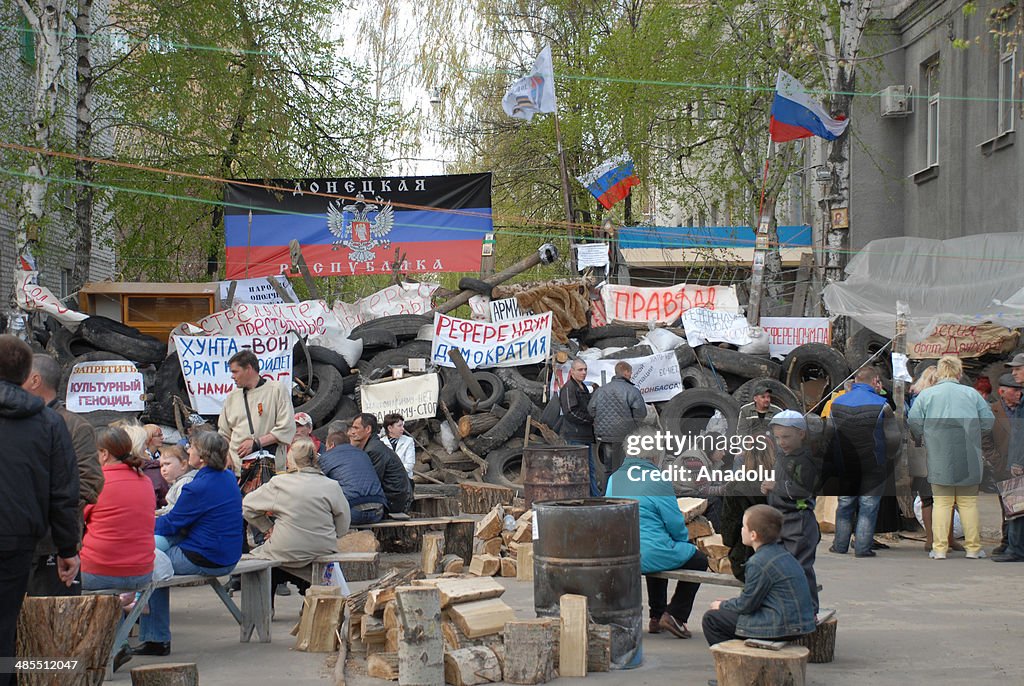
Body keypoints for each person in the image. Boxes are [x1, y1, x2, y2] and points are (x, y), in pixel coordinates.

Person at [0, 335, 80, 686]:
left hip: (17, 538)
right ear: (25, 375)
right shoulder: (49, 423)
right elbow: (63, 493)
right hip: (16, 540)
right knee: (6, 626)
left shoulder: (51, 424)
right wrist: (67, 548)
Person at [136, 432, 242, 656]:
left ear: (202, 457)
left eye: (191, 448)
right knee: (158, 549)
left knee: (150, 563)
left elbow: (171, 524)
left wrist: (139, 526)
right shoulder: (228, 477)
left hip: (207, 557)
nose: (188, 451)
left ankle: (156, 638)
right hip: (228, 553)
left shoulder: (197, 487)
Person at [606, 427, 707, 640]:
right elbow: (674, 523)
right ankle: (676, 615)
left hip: (621, 551)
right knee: (696, 559)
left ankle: (656, 616)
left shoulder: (614, 478)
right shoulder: (657, 480)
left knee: (658, 550)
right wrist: (682, 541)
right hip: (650, 553)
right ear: (654, 455)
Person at [22, 353, 103, 596]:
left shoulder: (75, 427)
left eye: (20, 377)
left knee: (52, 626)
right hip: (15, 542)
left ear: (35, 380)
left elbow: (89, 481)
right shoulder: (14, 422)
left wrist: (51, 510)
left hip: (53, 545)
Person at [908, 355, 994, 560]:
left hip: (938, 456)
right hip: (969, 456)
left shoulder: (927, 395)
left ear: (939, 371)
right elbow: (989, 422)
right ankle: (973, 548)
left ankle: (939, 548)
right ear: (959, 372)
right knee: (968, 503)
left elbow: (914, 422)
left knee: (941, 502)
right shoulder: (972, 394)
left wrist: (925, 434)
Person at [243, 437, 350, 601]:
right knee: (310, 560)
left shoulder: (280, 483)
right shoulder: (331, 485)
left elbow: (247, 506)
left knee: (259, 558)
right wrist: (329, 534)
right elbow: (343, 522)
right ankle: (309, 607)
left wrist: (267, 528)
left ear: (290, 459)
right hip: (322, 547)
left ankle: (265, 609)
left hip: (285, 548)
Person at [701, 504, 816, 647]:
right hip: (800, 622)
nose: (741, 530)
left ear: (753, 535)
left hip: (782, 626)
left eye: (743, 527)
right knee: (726, 611)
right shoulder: (784, 554)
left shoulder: (758, 562)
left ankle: (737, 661)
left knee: (712, 619)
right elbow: (755, 598)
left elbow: (746, 605)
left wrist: (722, 605)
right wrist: (729, 604)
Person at [826, 366, 899, 558]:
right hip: (873, 463)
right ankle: (862, 548)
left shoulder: (836, 403)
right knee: (868, 506)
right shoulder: (883, 405)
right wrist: (888, 458)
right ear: (875, 381)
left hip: (846, 463)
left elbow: (828, 435)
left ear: (856, 381)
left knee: (844, 504)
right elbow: (893, 439)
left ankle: (840, 545)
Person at [762, 411, 821, 614]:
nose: (781, 442)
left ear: (801, 435)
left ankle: (809, 611)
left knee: (801, 568)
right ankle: (786, 608)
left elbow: (801, 489)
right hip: (781, 519)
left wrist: (775, 485)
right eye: (778, 437)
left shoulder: (806, 459)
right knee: (782, 567)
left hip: (800, 521)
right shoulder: (782, 456)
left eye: (786, 437)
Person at [906, 367, 962, 555]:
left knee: (928, 499)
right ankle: (945, 538)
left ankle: (932, 539)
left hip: (925, 454)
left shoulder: (919, 399)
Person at [218, 349, 296, 471]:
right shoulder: (232, 396)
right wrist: (226, 456)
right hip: (237, 469)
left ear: (248, 369)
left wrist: (256, 443)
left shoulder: (276, 390)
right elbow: (224, 433)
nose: (232, 376)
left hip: (269, 468)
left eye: (235, 371)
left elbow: (286, 427)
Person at [720, 443, 773, 582]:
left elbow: (729, 533)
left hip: (744, 557)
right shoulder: (779, 483)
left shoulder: (734, 485)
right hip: (777, 555)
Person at [319, 421, 388, 524]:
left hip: (352, 512)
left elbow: (317, 483)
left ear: (332, 445)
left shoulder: (326, 457)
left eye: (327, 446)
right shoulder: (363, 453)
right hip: (378, 511)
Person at [588, 360, 646, 481]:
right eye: (630, 373)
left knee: (608, 468)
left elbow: (591, 410)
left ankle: (607, 495)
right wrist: (634, 426)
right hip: (625, 436)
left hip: (605, 436)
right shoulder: (632, 390)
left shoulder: (601, 390)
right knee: (625, 468)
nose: (631, 375)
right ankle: (623, 495)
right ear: (625, 372)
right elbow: (641, 413)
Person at [348, 413, 412, 515]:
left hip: (393, 501)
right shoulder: (372, 446)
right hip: (391, 496)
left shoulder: (374, 450)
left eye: (356, 428)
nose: (352, 432)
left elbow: (370, 482)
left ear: (368, 429)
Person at [558, 358, 600, 496]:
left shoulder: (583, 387)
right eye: (580, 370)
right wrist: (590, 420)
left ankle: (594, 497)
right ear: (572, 371)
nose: (584, 372)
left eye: (585, 369)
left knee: (589, 469)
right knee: (577, 470)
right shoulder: (569, 388)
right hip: (575, 436)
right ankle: (579, 498)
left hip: (585, 435)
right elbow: (570, 412)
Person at [125, 423, 170, 509]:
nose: (163, 438)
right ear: (149, 438)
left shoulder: (163, 455)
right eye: (158, 435)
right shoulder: (149, 467)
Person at [156, 445, 196, 516]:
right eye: (161, 465)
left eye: (167, 464)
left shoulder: (185, 483)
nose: (163, 469)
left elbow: (181, 511)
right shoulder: (177, 482)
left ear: (183, 465)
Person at [382, 413, 416, 478]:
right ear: (390, 428)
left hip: (405, 479)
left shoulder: (408, 441)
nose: (402, 429)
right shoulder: (381, 443)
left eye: (402, 426)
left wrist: (394, 473)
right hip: (387, 481)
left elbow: (409, 464)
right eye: (399, 426)